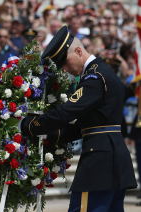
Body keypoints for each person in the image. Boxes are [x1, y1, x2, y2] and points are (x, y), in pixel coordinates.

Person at [20, 26, 137, 211]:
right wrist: (47, 134)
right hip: (113, 158)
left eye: (65, 62)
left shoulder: (94, 77)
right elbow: (83, 127)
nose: (65, 69)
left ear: (78, 50)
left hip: (99, 162)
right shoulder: (106, 73)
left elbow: (66, 112)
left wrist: (29, 125)